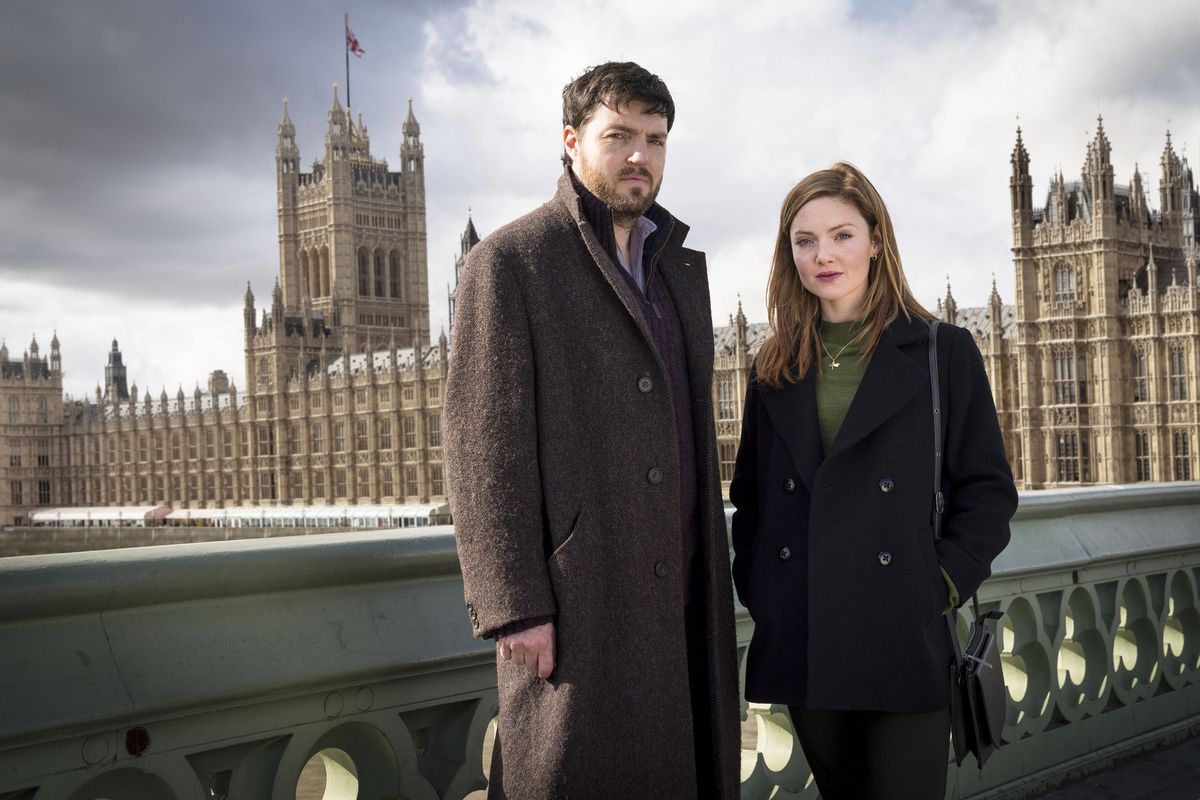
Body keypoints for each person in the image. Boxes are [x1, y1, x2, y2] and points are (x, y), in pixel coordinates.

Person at [444, 61, 740, 799]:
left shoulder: (678, 269)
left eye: (655, 139)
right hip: (583, 604)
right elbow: (483, 449)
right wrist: (515, 606)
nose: (640, 155)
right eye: (620, 136)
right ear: (572, 142)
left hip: (684, 594)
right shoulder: (511, 262)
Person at [729, 162, 1017, 799]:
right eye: (805, 241)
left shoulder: (944, 351)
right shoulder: (773, 364)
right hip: (806, 628)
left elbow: (988, 491)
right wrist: (762, 589)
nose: (823, 255)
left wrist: (937, 583)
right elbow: (749, 497)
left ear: (877, 240)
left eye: (842, 235)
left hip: (902, 629)